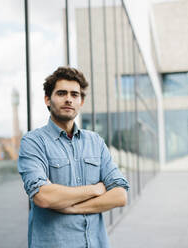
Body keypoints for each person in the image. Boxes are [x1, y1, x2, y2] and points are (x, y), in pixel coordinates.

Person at [18, 66, 130, 248]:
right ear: (47, 99)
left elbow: (120, 195)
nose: (69, 99)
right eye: (61, 93)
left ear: (81, 102)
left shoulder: (95, 141)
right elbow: (43, 196)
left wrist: (71, 207)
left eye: (74, 94)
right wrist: (95, 190)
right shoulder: (33, 142)